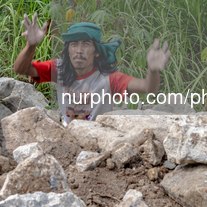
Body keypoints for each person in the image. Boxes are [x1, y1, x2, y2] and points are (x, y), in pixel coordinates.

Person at [13, 12, 171, 125]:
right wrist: (31, 45)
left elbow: (147, 88)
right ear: (68, 50)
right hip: (69, 136)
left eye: (86, 44)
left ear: (96, 51)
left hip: (97, 138)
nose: (79, 50)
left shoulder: (108, 78)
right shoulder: (58, 68)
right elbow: (21, 69)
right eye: (74, 44)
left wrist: (153, 70)